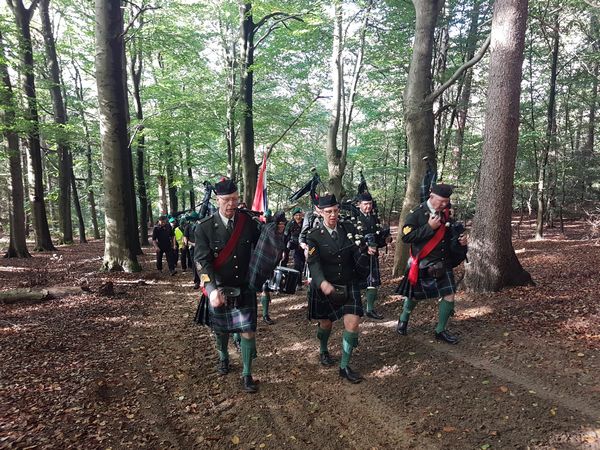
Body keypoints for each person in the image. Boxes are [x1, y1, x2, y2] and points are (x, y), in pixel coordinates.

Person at [194, 178, 262, 393]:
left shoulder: (248, 222)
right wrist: (211, 290)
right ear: (217, 200)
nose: (232, 204)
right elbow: (201, 262)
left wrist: (275, 231)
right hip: (220, 286)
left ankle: (247, 373)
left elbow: (263, 246)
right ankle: (223, 356)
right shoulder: (204, 227)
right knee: (221, 330)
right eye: (226, 200)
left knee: (248, 331)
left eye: (235, 199)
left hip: (244, 285)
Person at [306, 194, 375, 384]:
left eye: (336, 210)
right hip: (325, 285)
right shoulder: (313, 236)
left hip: (348, 282)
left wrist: (367, 249)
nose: (333, 215)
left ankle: (344, 366)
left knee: (352, 323)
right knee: (326, 324)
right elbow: (313, 263)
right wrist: (322, 282)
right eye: (328, 211)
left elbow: (359, 245)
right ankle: (323, 349)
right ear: (320, 212)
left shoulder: (348, 228)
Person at [395, 184, 468, 344]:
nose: (444, 204)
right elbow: (406, 237)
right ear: (431, 196)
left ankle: (440, 330)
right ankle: (404, 318)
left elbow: (450, 235)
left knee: (449, 294)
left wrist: (460, 241)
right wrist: (429, 227)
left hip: (442, 262)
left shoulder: (446, 213)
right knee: (414, 296)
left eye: (446, 201)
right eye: (441, 201)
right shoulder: (416, 213)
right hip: (423, 262)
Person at [352, 192, 392, 320]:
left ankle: (370, 309)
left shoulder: (374, 217)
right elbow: (351, 239)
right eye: (365, 204)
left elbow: (378, 236)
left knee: (372, 281)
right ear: (359, 205)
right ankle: (355, 307)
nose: (368, 206)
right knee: (355, 281)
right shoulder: (353, 218)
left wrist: (385, 240)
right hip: (358, 255)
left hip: (372, 254)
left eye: (370, 204)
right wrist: (364, 247)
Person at [282, 207, 305, 286]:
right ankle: (296, 283)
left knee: (302, 264)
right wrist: (284, 250)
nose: (298, 217)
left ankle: (299, 281)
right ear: (293, 216)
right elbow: (285, 236)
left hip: (303, 247)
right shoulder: (290, 223)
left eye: (299, 215)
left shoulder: (305, 223)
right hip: (293, 246)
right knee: (297, 264)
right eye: (296, 215)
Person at [184, 212, 201, 288]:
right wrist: (191, 243)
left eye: (194, 219)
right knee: (194, 264)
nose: (193, 221)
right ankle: (197, 281)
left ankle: (204, 280)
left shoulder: (201, 225)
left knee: (202, 264)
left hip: (201, 248)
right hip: (192, 248)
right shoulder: (188, 226)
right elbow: (185, 238)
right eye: (192, 219)